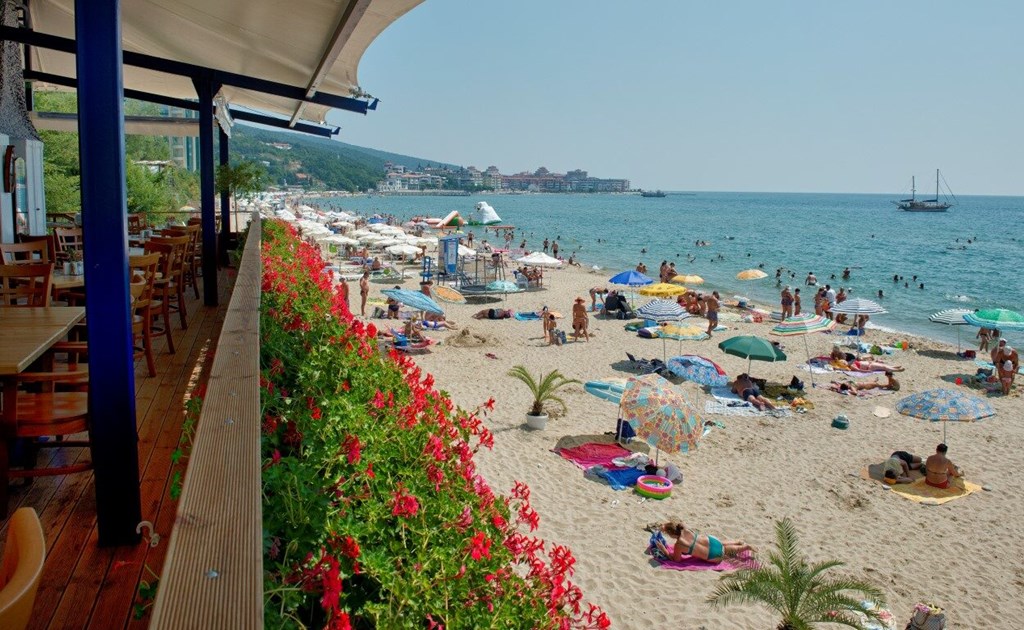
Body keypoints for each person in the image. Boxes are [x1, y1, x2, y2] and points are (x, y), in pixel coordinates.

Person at [655, 520, 755, 564]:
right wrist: (665, 526)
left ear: (671, 534)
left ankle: (746, 547)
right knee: (721, 544)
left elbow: (676, 560)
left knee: (725, 550)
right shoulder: (684, 528)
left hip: (712, 555)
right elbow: (679, 523)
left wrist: (665, 550)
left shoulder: (679, 545)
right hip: (712, 540)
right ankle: (737, 541)